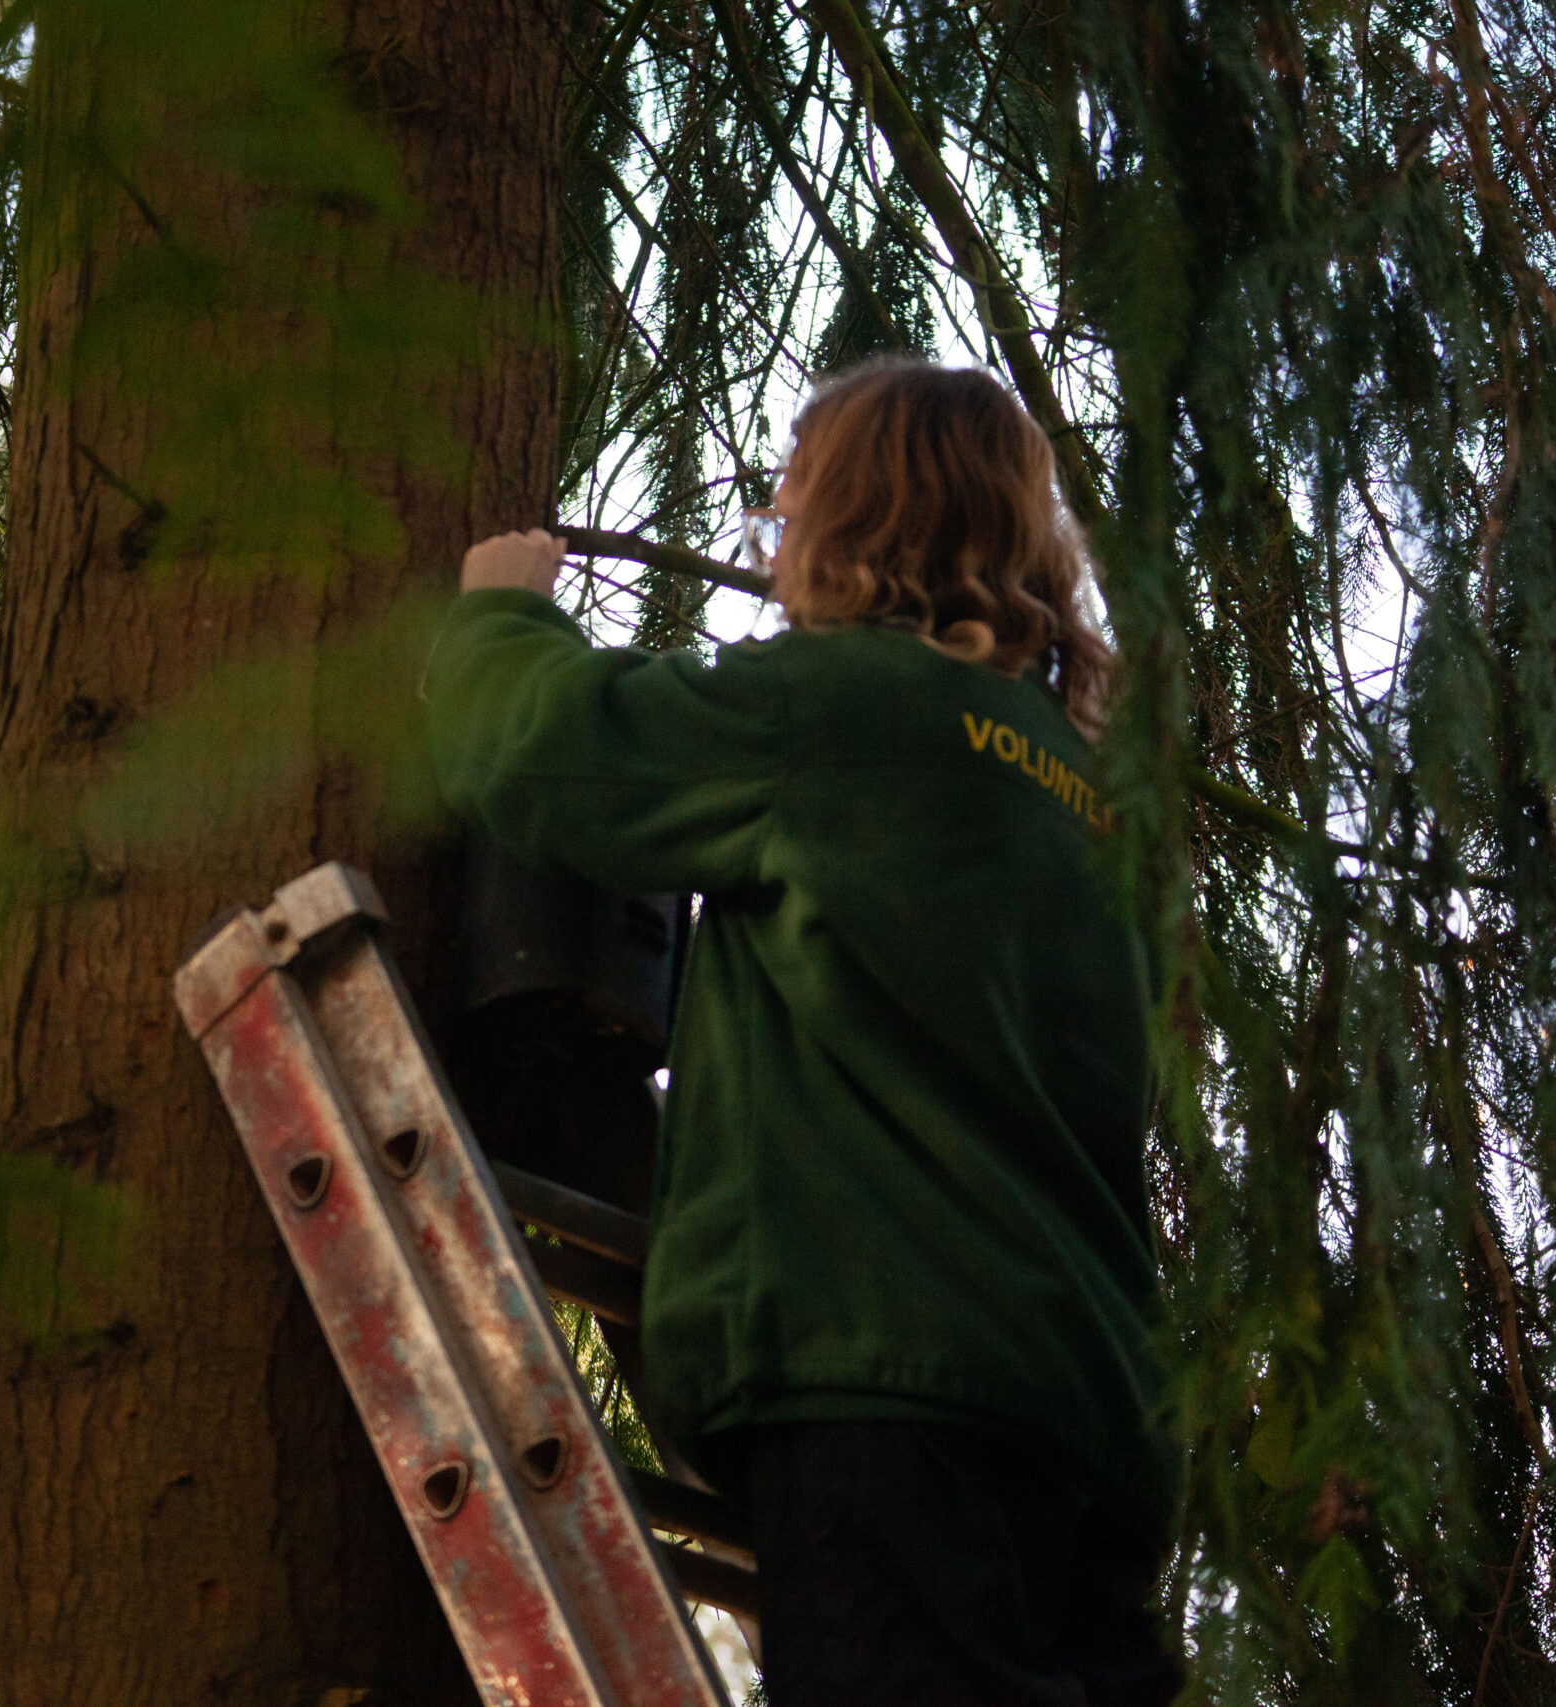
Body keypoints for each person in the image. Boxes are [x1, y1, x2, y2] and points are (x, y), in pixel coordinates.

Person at [422, 357, 1182, 1706]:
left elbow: (558, 753)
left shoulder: (850, 706)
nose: (776, 525)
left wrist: (498, 618)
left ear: (855, 516)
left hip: (887, 1392)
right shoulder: (1087, 800)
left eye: (796, 495)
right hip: (1086, 1422)